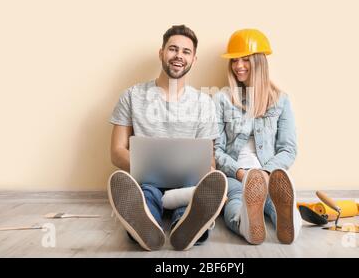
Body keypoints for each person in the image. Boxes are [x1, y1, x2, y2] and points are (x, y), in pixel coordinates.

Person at [108, 25, 227, 251]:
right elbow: (116, 151)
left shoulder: (204, 103)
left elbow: (208, 159)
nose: (178, 56)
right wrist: (151, 168)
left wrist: (204, 173)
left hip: (188, 184)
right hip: (147, 180)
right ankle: (145, 224)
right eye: (173, 49)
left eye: (186, 52)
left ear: (194, 59)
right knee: (146, 192)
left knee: (193, 191)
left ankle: (188, 225)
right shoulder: (132, 96)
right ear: (161, 52)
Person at [213, 29, 302, 245]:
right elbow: (214, 149)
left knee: (275, 199)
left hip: (269, 173)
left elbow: (288, 149)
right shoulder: (221, 99)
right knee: (235, 199)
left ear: (259, 62)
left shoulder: (281, 100)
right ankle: (246, 223)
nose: (238, 66)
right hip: (234, 173)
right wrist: (241, 173)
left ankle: (288, 221)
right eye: (235, 60)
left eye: (246, 60)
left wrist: (264, 174)